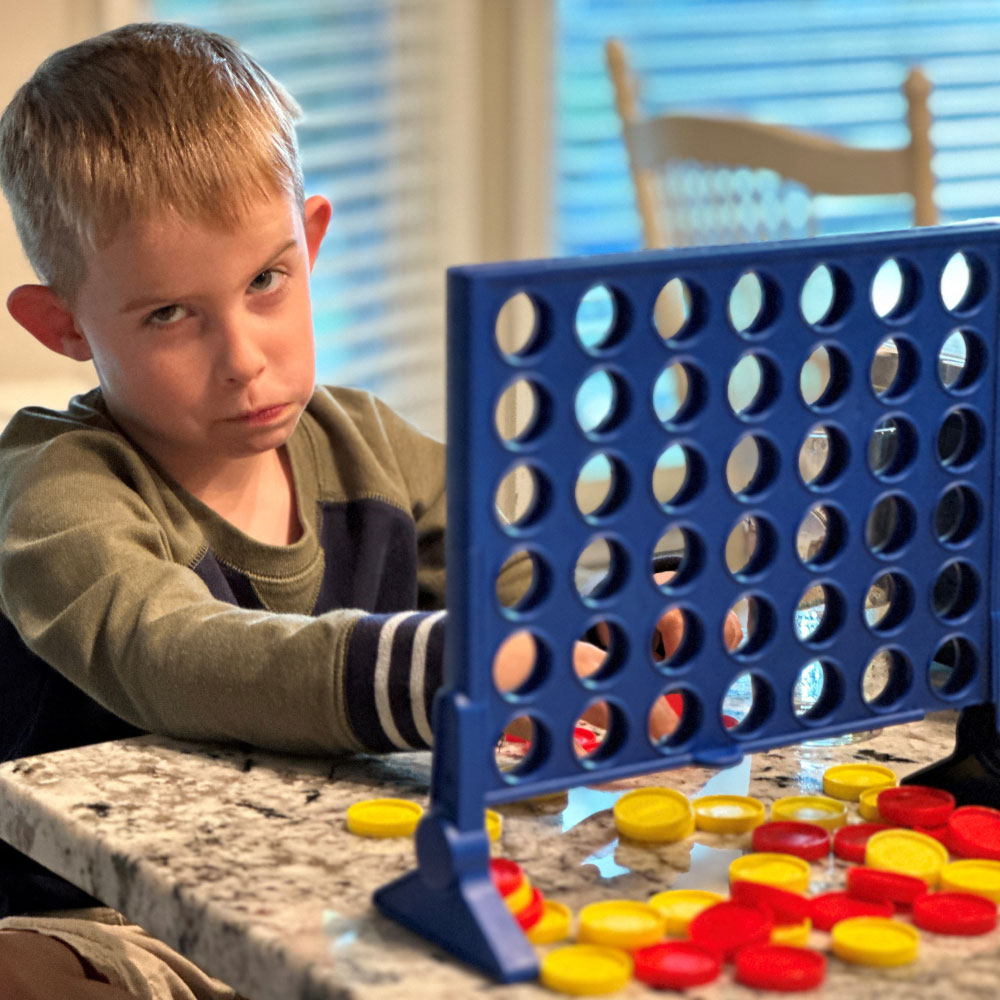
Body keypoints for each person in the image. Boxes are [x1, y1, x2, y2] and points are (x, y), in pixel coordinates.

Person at [0, 21, 724, 1000]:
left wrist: (623, 623)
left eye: (266, 280)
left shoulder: (366, 443)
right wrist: (456, 663)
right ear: (63, 326)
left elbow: (522, 580)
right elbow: (170, 652)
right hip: (105, 918)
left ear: (311, 242)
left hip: (321, 892)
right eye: (170, 314)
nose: (244, 358)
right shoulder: (56, 488)